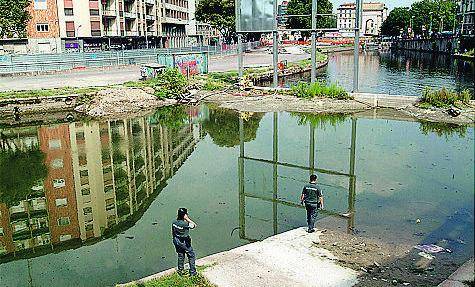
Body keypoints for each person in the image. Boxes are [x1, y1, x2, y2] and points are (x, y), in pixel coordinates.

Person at [171, 208, 197, 276]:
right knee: (191, 255)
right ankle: (192, 273)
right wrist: (187, 219)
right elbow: (194, 225)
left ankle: (180, 271)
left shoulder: (174, 222)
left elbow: (173, 232)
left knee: (181, 255)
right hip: (184, 242)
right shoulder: (185, 224)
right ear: (184, 215)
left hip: (176, 240)